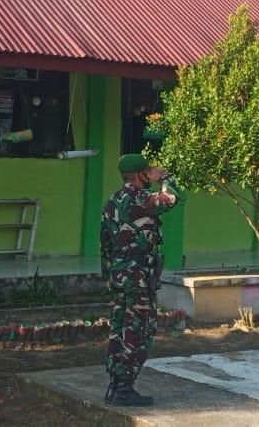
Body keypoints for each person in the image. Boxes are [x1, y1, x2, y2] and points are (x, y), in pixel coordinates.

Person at [99, 154, 181, 406]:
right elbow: (172, 197)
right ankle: (124, 389)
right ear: (140, 174)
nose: (150, 175)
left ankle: (115, 386)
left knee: (118, 329)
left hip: (119, 275)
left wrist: (107, 275)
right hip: (138, 277)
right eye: (147, 172)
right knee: (138, 329)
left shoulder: (112, 202)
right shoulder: (144, 199)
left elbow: (104, 242)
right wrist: (165, 178)